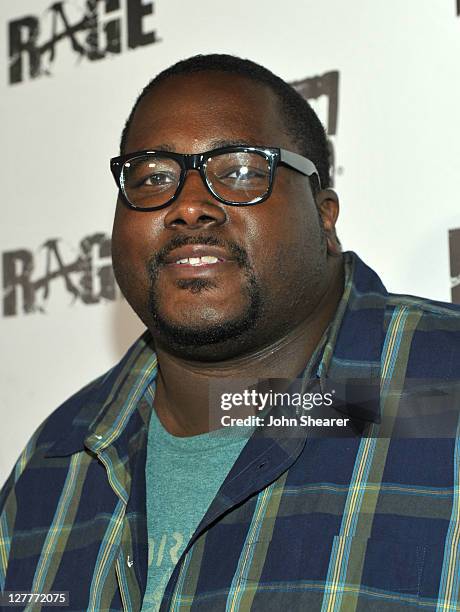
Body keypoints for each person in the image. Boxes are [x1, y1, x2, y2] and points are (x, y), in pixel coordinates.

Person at [1, 54, 460, 612]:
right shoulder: (55, 459)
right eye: (153, 177)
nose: (190, 205)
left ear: (324, 216)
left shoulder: (444, 388)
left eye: (240, 171)